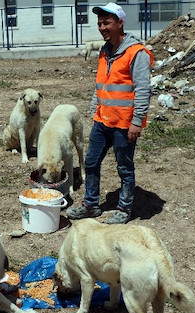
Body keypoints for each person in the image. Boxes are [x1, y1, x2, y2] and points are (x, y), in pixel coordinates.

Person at [66, 3, 153, 224]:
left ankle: (124, 208)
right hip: (102, 121)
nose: (102, 27)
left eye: (107, 23)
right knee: (92, 162)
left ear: (120, 23)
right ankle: (91, 204)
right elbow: (102, 84)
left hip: (124, 124)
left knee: (124, 168)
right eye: (100, 24)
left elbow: (143, 90)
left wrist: (137, 122)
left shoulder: (137, 53)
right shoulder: (105, 51)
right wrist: (95, 107)